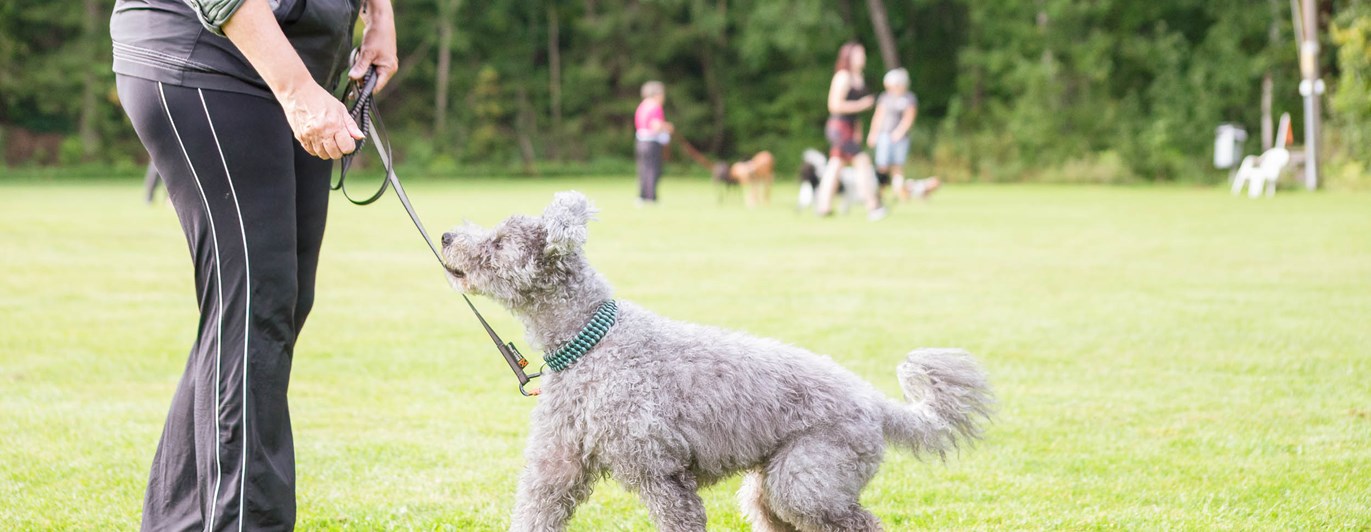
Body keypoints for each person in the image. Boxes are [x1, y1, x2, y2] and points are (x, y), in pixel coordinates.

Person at [110, 0, 397, 528]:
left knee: (273, 309)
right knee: (254, 311)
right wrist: (296, 89)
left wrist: (378, 14)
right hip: (208, 59)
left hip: (300, 65)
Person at [814, 42, 884, 221]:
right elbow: (834, 105)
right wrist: (861, 105)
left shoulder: (858, 77)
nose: (863, 58)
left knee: (836, 165)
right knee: (862, 161)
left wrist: (858, 129)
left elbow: (856, 113)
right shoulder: (842, 77)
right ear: (849, 56)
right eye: (859, 54)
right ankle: (872, 205)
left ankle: (823, 206)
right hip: (839, 127)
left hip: (850, 128)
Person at [867, 68, 940, 201]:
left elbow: (909, 118)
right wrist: (873, 133)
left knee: (897, 166)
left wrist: (899, 133)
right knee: (882, 165)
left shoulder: (909, 98)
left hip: (900, 138)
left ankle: (898, 193)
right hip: (884, 135)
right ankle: (880, 193)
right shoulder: (885, 97)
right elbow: (878, 116)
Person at [634, 80, 673, 204]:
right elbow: (655, 126)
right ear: (657, 94)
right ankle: (651, 197)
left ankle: (642, 196)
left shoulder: (642, 106)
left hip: (640, 141)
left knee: (643, 169)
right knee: (653, 169)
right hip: (652, 142)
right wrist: (668, 127)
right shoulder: (655, 107)